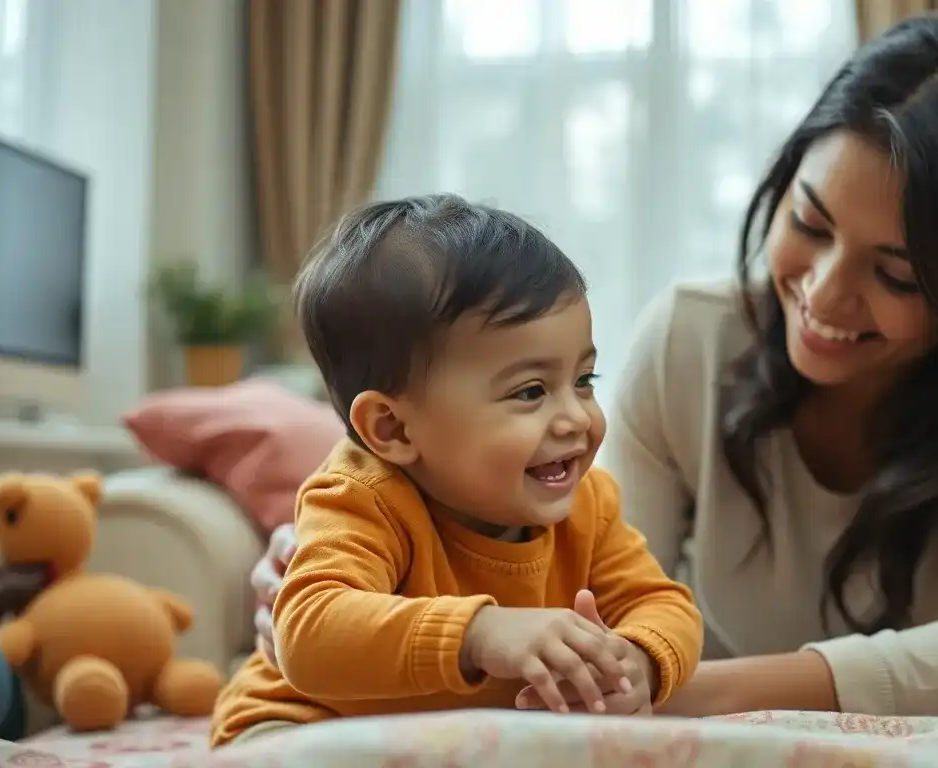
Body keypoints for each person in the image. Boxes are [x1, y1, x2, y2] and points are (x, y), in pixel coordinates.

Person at [250, 16, 938, 719]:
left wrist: (653, 681)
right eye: (809, 223)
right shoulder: (695, 334)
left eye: (898, 275)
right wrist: (366, 613)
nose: (825, 295)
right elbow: (582, 590)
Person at [211, 195, 703, 746]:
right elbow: (308, 632)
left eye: (584, 380)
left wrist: (639, 659)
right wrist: (481, 633)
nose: (576, 418)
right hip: (306, 726)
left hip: (464, 740)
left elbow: (663, 604)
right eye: (531, 391)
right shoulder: (360, 496)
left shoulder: (591, 504)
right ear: (394, 429)